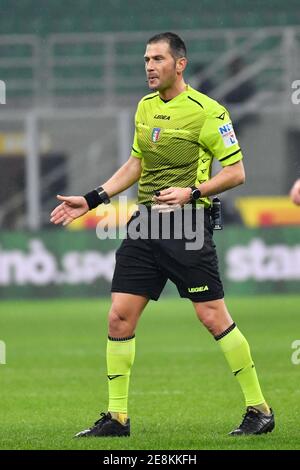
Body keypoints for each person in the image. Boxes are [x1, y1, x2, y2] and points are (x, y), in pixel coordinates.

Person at [50, 32, 275, 437]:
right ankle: (117, 418)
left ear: (179, 64)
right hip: (146, 223)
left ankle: (259, 409)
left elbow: (236, 173)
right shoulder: (145, 107)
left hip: (188, 224)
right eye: (146, 59)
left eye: (157, 59)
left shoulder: (208, 112)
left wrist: (192, 192)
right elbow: (137, 162)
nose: (149, 66)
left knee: (212, 317)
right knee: (119, 316)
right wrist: (93, 198)